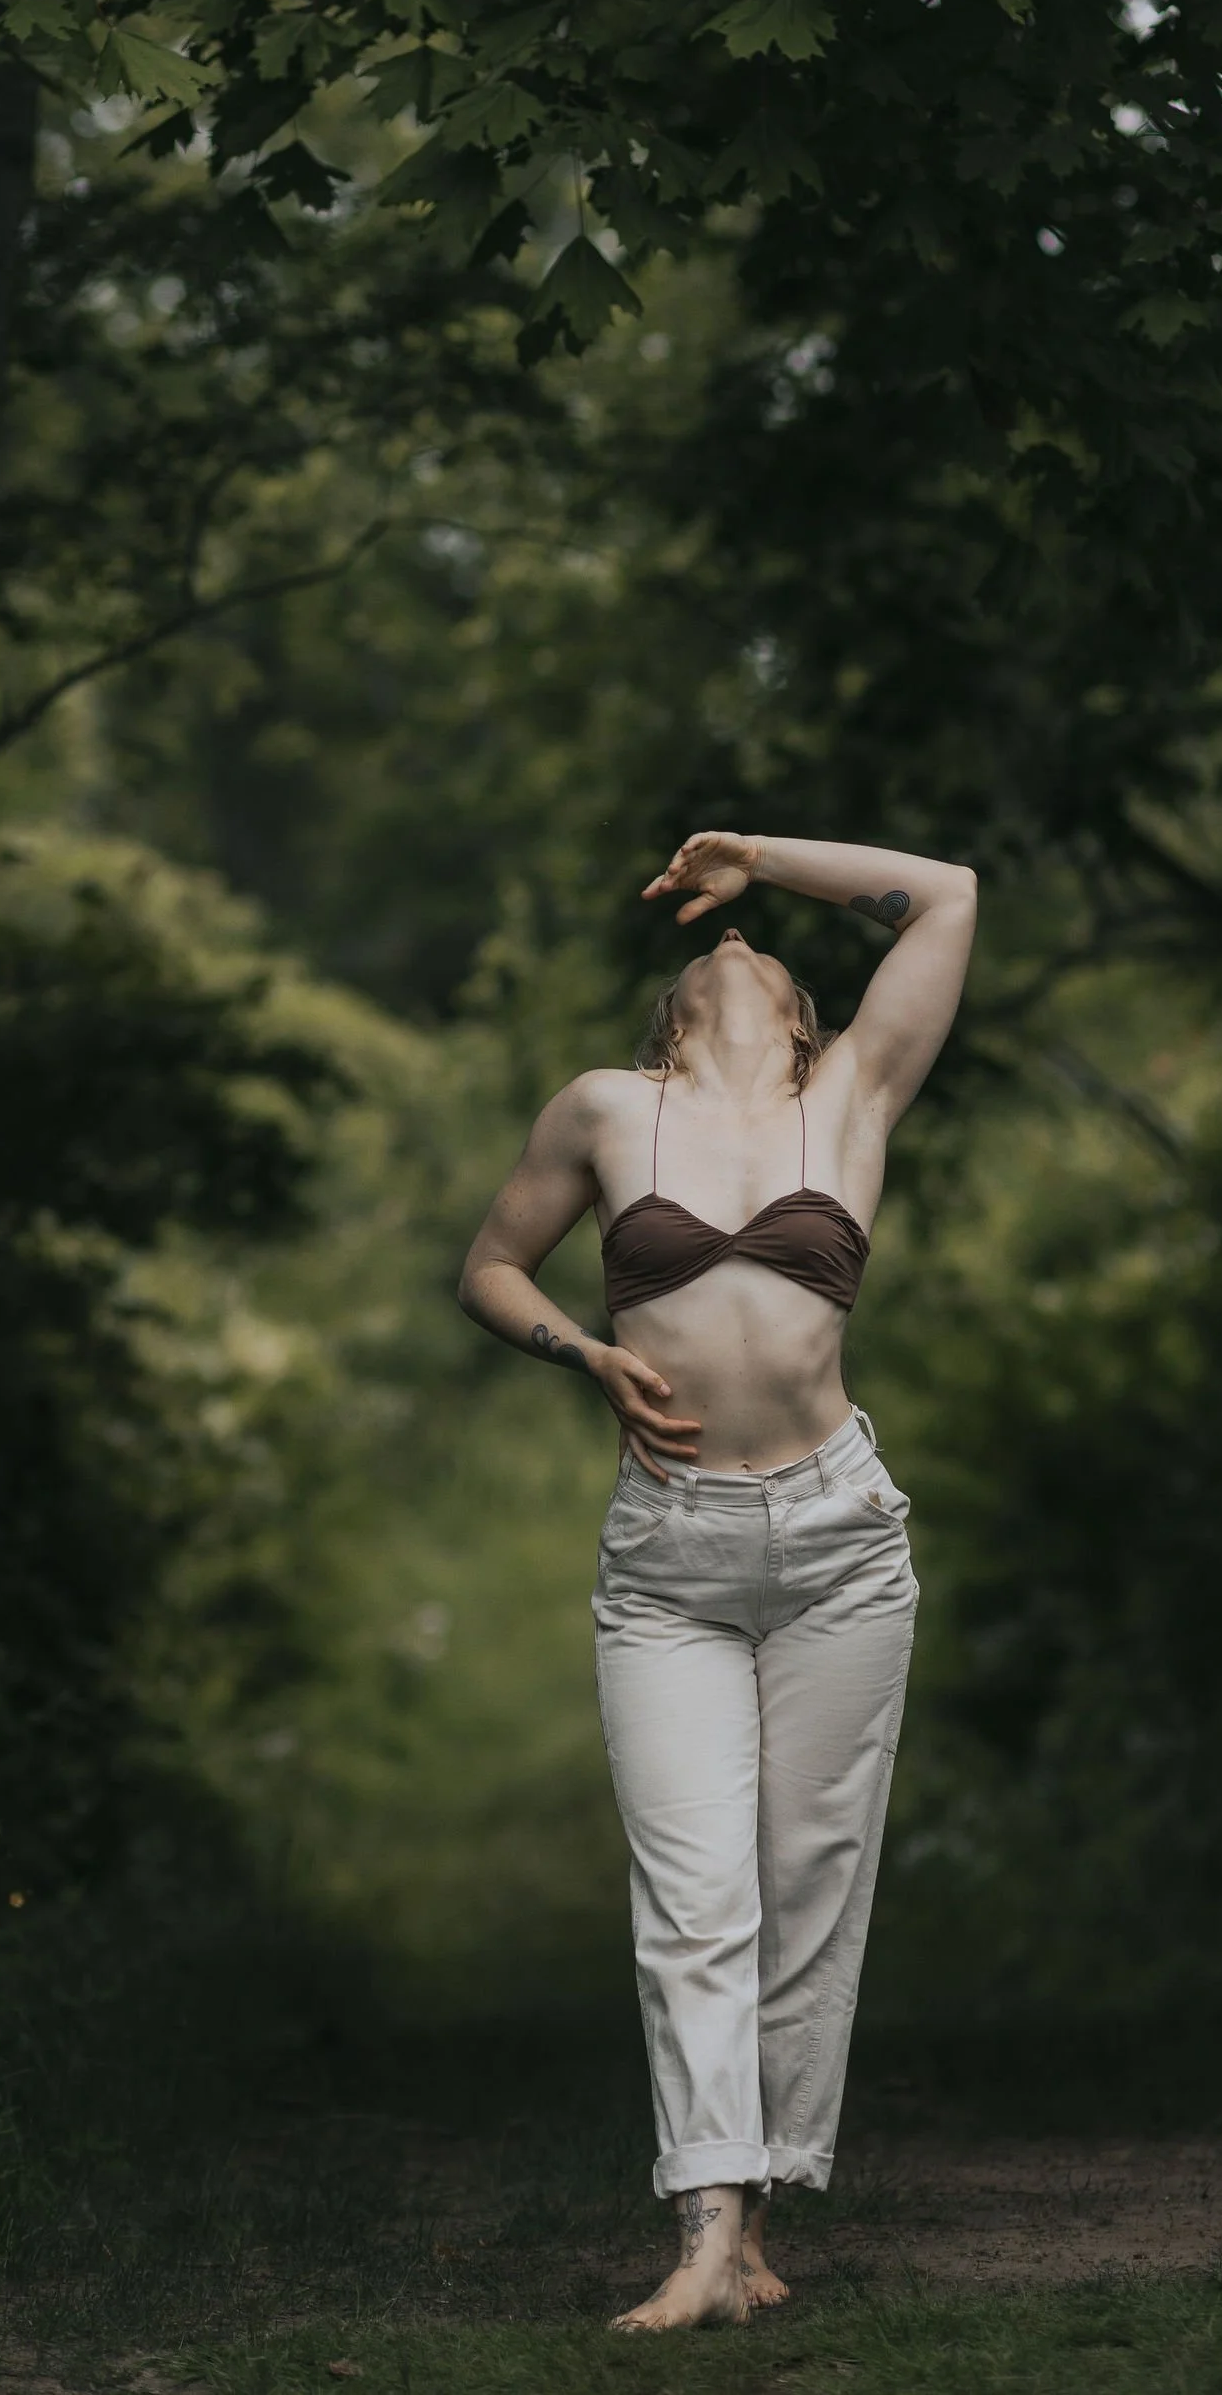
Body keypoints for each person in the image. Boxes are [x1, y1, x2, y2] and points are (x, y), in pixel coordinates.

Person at [458, 828, 977, 2330]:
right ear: (670, 1016)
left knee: (809, 1883)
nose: (733, 945)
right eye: (710, 947)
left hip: (837, 1544)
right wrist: (583, 1350)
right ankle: (704, 2232)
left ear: (806, 1011)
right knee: (694, 1897)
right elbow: (489, 1266)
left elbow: (946, 894)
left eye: (760, 944)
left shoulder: (851, 1092)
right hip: (669, 1558)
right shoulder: (610, 1107)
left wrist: (756, 856)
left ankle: (755, 2214)